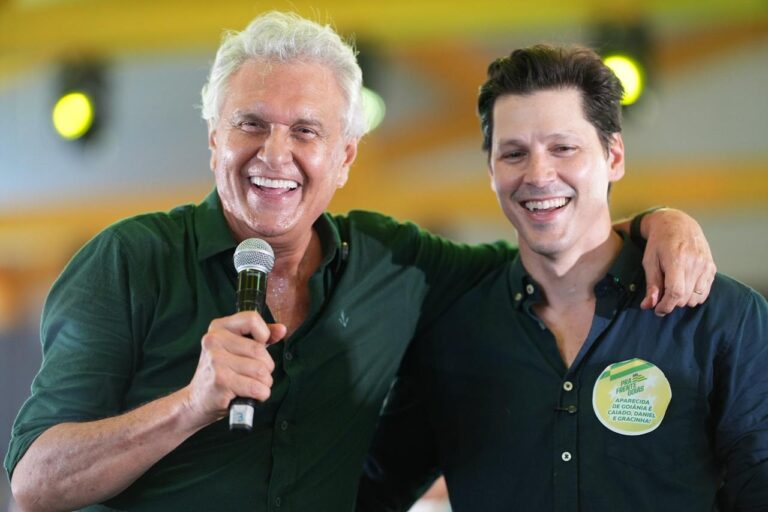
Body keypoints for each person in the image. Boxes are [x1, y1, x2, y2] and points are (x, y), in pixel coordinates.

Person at [5, 13, 715, 511]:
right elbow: (34, 481)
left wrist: (655, 223)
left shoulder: (393, 263)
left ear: (344, 156)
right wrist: (189, 407)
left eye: (306, 131)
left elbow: (553, 261)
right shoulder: (128, 261)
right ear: (215, 138)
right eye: (250, 124)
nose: (275, 154)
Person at [356, 44, 768, 511]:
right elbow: (369, 490)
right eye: (514, 153)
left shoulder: (720, 318)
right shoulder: (453, 332)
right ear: (491, 171)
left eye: (563, 148)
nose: (538, 174)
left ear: (614, 157)